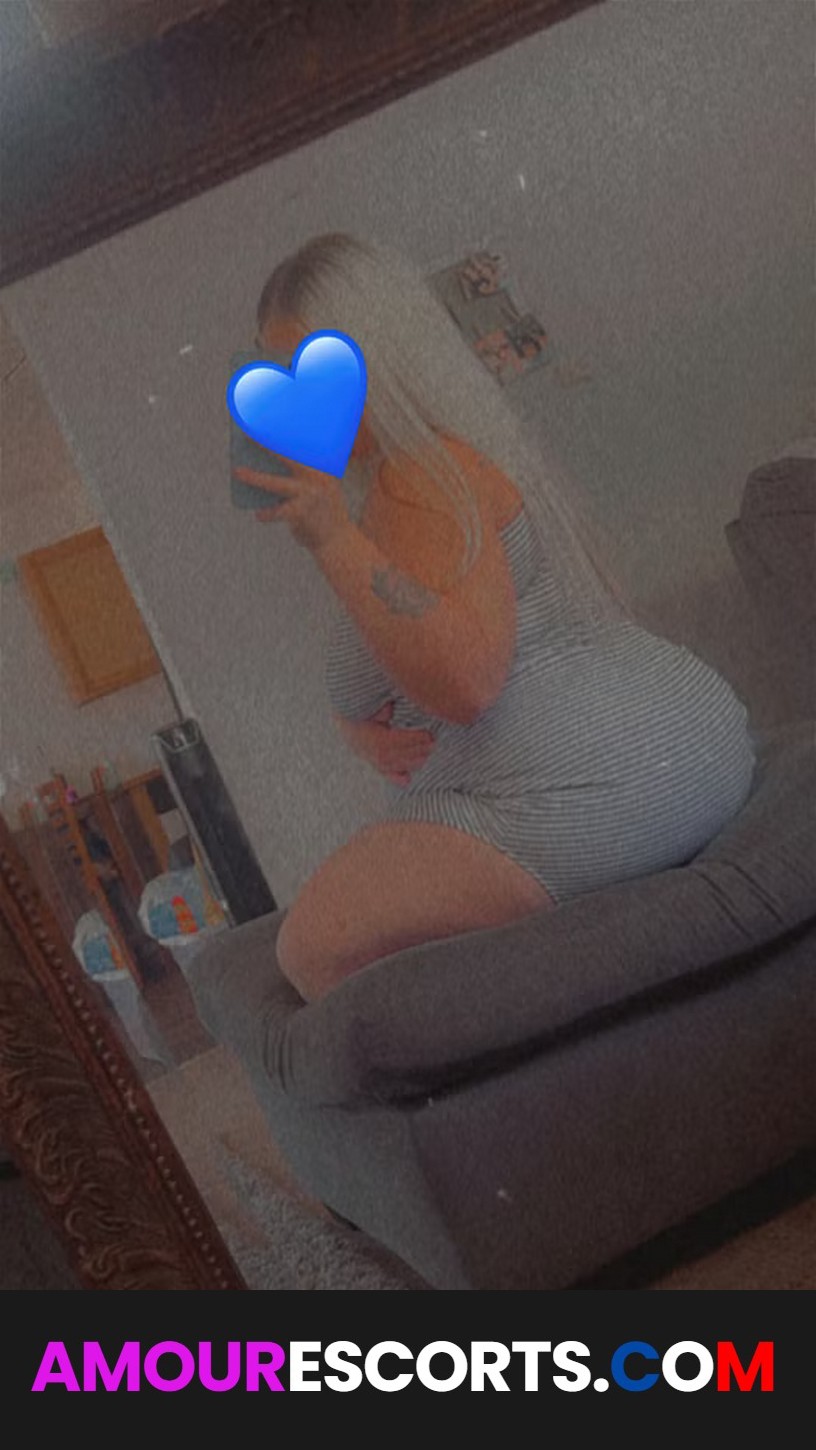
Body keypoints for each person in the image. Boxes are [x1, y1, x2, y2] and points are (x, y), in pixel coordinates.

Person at [235, 233, 756, 1002]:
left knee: (311, 950)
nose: (306, 411)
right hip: (682, 744)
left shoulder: (414, 481)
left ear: (381, 360)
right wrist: (357, 728)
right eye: (284, 382)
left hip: (587, 786)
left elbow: (467, 680)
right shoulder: (436, 467)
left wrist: (332, 539)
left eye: (322, 376)